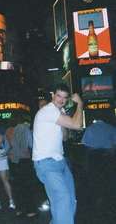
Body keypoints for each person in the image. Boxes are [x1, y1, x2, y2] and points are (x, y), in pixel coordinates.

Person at [32, 83, 83, 224]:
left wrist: (63, 119)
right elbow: (77, 125)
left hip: (60, 162)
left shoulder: (57, 113)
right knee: (63, 198)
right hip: (47, 164)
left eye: (64, 98)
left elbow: (65, 137)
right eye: (58, 96)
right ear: (53, 95)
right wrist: (79, 104)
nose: (61, 100)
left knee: (69, 200)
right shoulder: (49, 110)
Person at [81, 111, 116, 213]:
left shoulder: (90, 128)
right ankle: (108, 201)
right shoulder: (111, 128)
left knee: (94, 178)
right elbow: (114, 146)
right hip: (107, 156)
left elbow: (86, 145)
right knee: (107, 178)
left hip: (94, 157)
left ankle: (96, 200)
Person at [6, 114, 37, 218]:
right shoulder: (25, 129)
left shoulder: (8, 131)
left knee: (17, 186)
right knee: (27, 186)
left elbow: (6, 148)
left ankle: (19, 209)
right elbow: (31, 144)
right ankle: (30, 210)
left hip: (13, 161)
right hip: (24, 160)